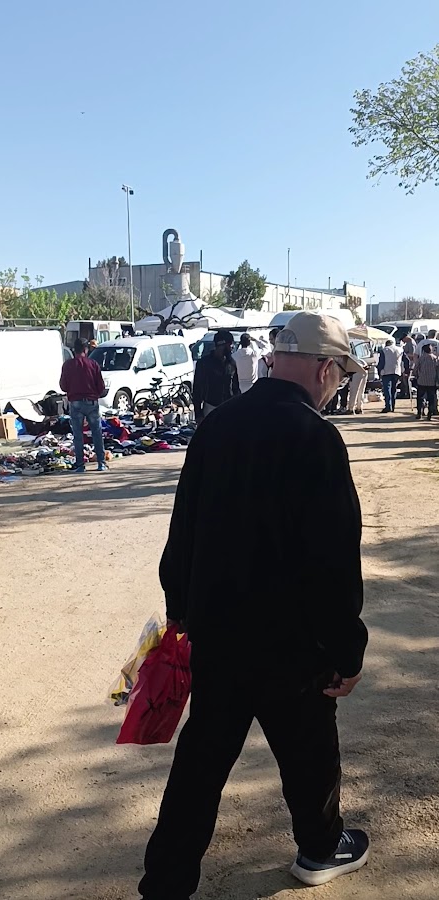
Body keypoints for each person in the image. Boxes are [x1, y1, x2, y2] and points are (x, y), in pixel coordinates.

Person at [138, 312, 369, 899]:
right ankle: (320, 848)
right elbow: (333, 558)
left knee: (200, 765)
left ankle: (165, 883)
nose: (337, 386)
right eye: (340, 376)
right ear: (324, 368)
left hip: (218, 634)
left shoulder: (217, 427)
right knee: (310, 755)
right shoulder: (316, 437)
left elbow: (182, 527)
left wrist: (180, 605)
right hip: (291, 647)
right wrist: (346, 649)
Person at [59, 337, 108, 473]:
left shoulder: (68, 365)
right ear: (86, 350)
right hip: (92, 402)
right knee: (97, 433)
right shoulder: (93, 364)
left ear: (74, 350)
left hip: (75, 403)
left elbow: (63, 386)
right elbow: (101, 386)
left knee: (78, 435)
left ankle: (80, 465)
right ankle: (101, 463)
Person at [192, 330, 239, 422]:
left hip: (229, 408)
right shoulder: (204, 363)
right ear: (221, 345)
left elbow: (236, 388)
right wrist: (198, 414)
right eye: (229, 345)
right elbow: (197, 389)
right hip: (210, 407)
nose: (231, 348)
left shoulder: (231, 363)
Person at [414, 342, 438, 421]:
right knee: (432, 398)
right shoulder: (435, 359)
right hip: (432, 382)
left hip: (422, 381)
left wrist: (416, 376)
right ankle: (430, 414)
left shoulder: (421, 358)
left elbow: (416, 368)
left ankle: (419, 412)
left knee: (420, 397)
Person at [379, 339, 403, 413]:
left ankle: (388, 406)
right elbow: (405, 360)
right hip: (397, 371)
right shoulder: (400, 350)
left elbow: (381, 362)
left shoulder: (384, 350)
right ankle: (393, 406)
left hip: (386, 371)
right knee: (394, 389)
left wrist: (379, 371)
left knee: (387, 389)